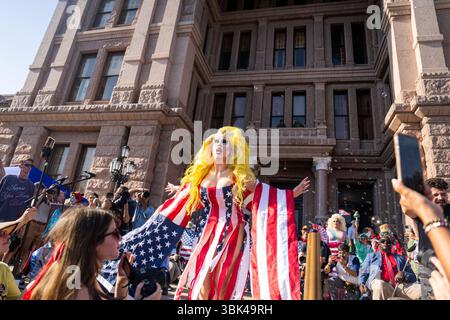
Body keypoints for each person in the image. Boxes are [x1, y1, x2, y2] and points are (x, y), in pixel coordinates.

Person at [102, 126, 310, 300]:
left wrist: (292, 194)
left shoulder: (241, 178)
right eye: (216, 141)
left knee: (222, 280)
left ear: (235, 149)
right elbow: (188, 195)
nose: (219, 145)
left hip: (232, 234)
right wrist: (178, 190)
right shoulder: (200, 177)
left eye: (225, 142)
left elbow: (265, 197)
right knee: (202, 280)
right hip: (205, 233)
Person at [23, 207, 160, 300]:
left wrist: (121, 282)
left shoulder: (75, 272)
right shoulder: (77, 290)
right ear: (92, 241)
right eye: (114, 233)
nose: (121, 238)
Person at [392, 178, 450, 285]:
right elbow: (406, 209)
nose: (440, 198)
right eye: (436, 195)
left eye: (443, 194)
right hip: (429, 266)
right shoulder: (420, 210)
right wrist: (407, 192)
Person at [359, 235, 420, 300]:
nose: (385, 243)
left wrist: (404, 274)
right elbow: (363, 272)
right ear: (379, 244)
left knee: (421, 290)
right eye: (383, 241)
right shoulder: (371, 256)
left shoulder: (400, 258)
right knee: (379, 284)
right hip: (383, 286)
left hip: (400, 286)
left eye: (388, 242)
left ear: (391, 245)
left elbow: (413, 277)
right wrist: (361, 283)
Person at [0, 158, 35, 222]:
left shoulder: (31, 185)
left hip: (16, 221)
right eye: (27, 165)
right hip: (1, 217)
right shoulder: (8, 178)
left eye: (31, 166)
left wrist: (22, 221)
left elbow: (28, 205)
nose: (29, 167)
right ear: (20, 166)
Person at [0, 229, 21, 300]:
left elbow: (14, 297)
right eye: (1, 233)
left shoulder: (3, 268)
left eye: (8, 232)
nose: (8, 236)